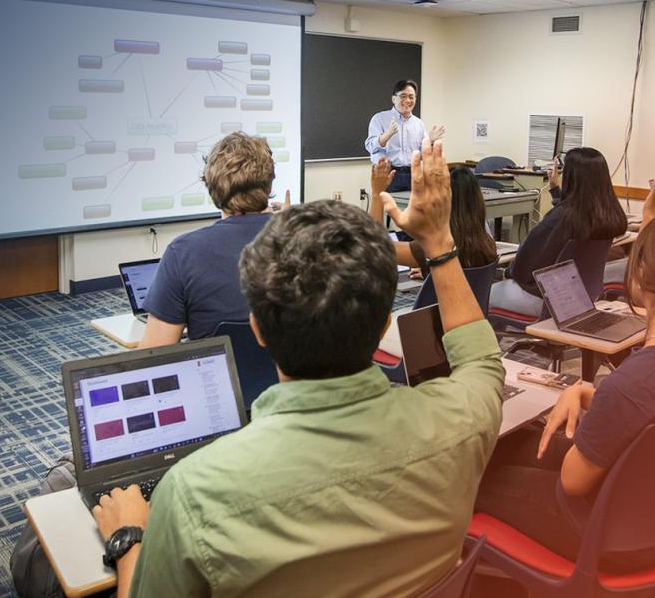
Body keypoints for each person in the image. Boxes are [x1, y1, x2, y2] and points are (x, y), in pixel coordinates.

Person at [91, 139, 506, 597]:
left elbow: (155, 358)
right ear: (385, 322)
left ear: (259, 329)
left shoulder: (194, 494)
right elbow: (481, 358)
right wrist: (440, 245)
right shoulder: (464, 421)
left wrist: (129, 538)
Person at [475, 209, 655, 571]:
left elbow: (572, 481)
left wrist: (600, 409)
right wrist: (589, 393)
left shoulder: (632, 385)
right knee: (515, 446)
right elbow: (652, 423)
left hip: (600, 536)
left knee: (471, 477)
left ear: (644, 274)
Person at [138, 132, 276, 347]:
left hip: (220, 379)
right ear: (268, 184)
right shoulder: (308, 242)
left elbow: (153, 355)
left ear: (212, 188)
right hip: (302, 377)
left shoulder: (183, 253)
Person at [491, 147, 627, 318]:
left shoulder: (562, 218)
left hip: (546, 302)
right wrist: (555, 191)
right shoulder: (607, 216)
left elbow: (522, 268)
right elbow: (572, 214)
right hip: (583, 298)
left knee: (482, 295)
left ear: (570, 178)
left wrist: (505, 272)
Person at [370, 158, 497, 277]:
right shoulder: (487, 243)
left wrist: (377, 194)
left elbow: (375, 247)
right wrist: (432, 271)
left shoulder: (433, 248)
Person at [363, 79, 445, 193]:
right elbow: (370, 147)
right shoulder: (379, 118)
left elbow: (421, 155)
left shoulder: (418, 123)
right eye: (403, 96)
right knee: (387, 209)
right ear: (393, 98)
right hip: (387, 174)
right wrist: (388, 134)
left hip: (412, 174)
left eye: (411, 97)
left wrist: (429, 141)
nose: (407, 100)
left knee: (414, 209)